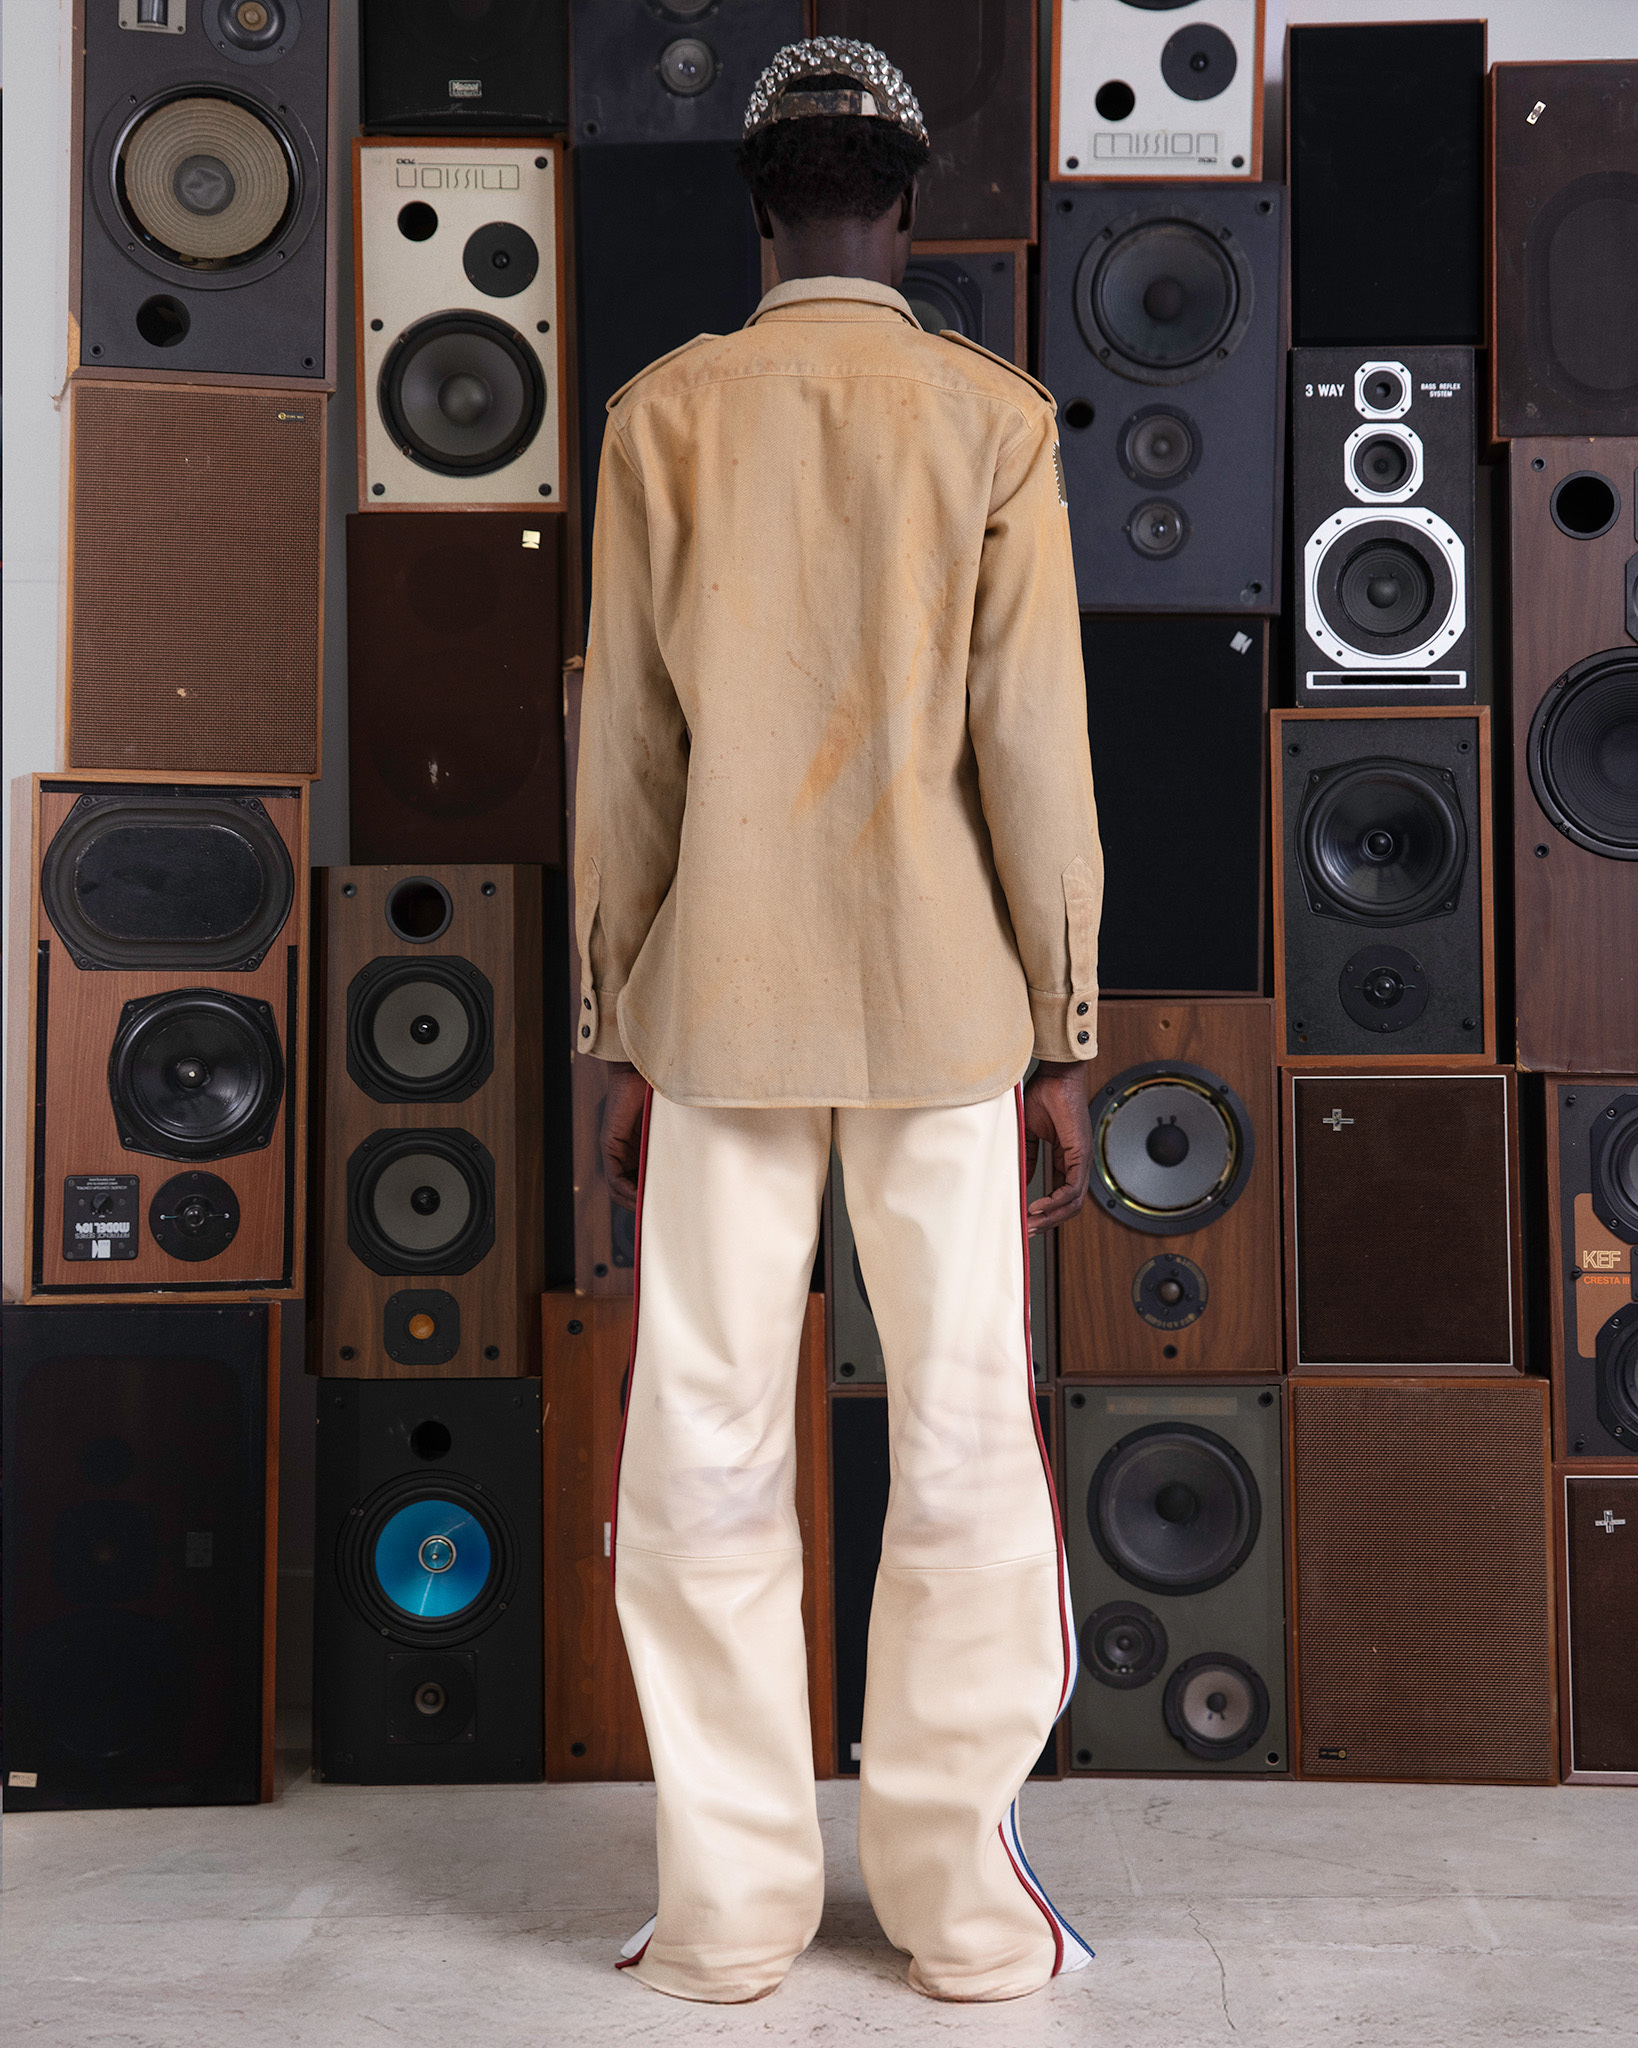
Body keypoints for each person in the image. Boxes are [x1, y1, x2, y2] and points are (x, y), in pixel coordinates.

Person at [573, 35, 1102, 2007]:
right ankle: (963, 1916)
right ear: (906, 196)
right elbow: (1032, 750)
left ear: (759, 204)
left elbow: (624, 750)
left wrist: (613, 1025)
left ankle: (729, 1919)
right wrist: (1066, 1028)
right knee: (964, 1440)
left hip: (714, 999)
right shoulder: (994, 420)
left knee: (701, 1448)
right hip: (946, 1004)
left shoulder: (662, 416)